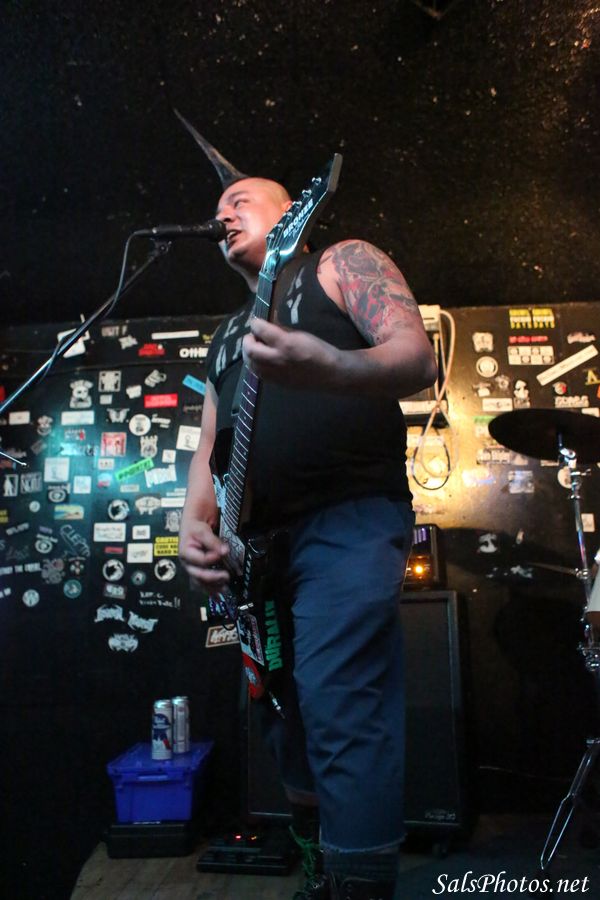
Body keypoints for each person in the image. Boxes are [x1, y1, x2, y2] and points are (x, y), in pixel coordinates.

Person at [179, 173, 438, 900]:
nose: (223, 214)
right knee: (285, 720)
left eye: (240, 202)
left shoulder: (340, 262)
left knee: (339, 699)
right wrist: (193, 523)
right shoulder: (227, 336)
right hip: (258, 549)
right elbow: (210, 446)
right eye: (217, 207)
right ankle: (323, 872)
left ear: (293, 213)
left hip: (347, 517)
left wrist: (333, 364)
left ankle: (360, 885)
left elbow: (417, 358)